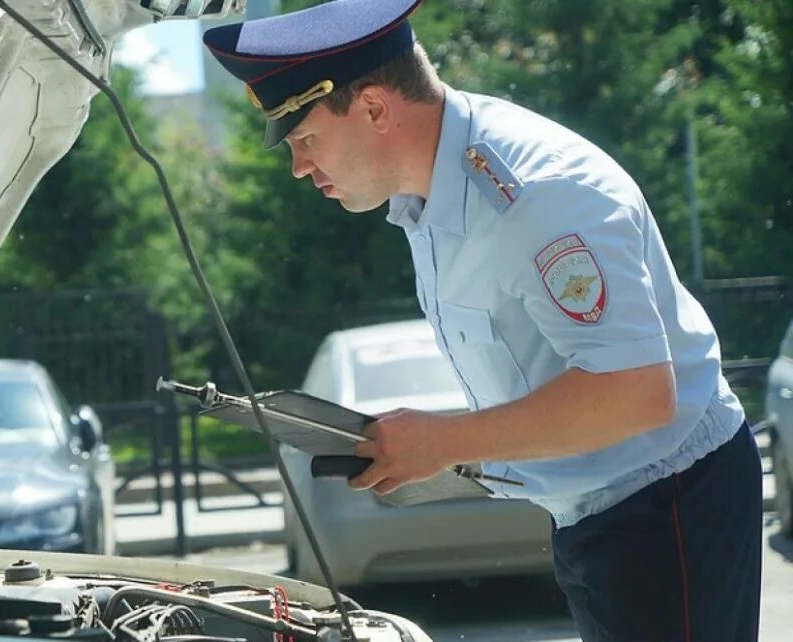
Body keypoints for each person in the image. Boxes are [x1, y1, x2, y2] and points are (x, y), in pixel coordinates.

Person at [203, 1, 762, 640]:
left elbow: (637, 393)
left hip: (668, 502)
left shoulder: (534, 193)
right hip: (605, 510)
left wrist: (443, 441)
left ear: (376, 109)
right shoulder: (432, 191)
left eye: (305, 139)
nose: (300, 166)